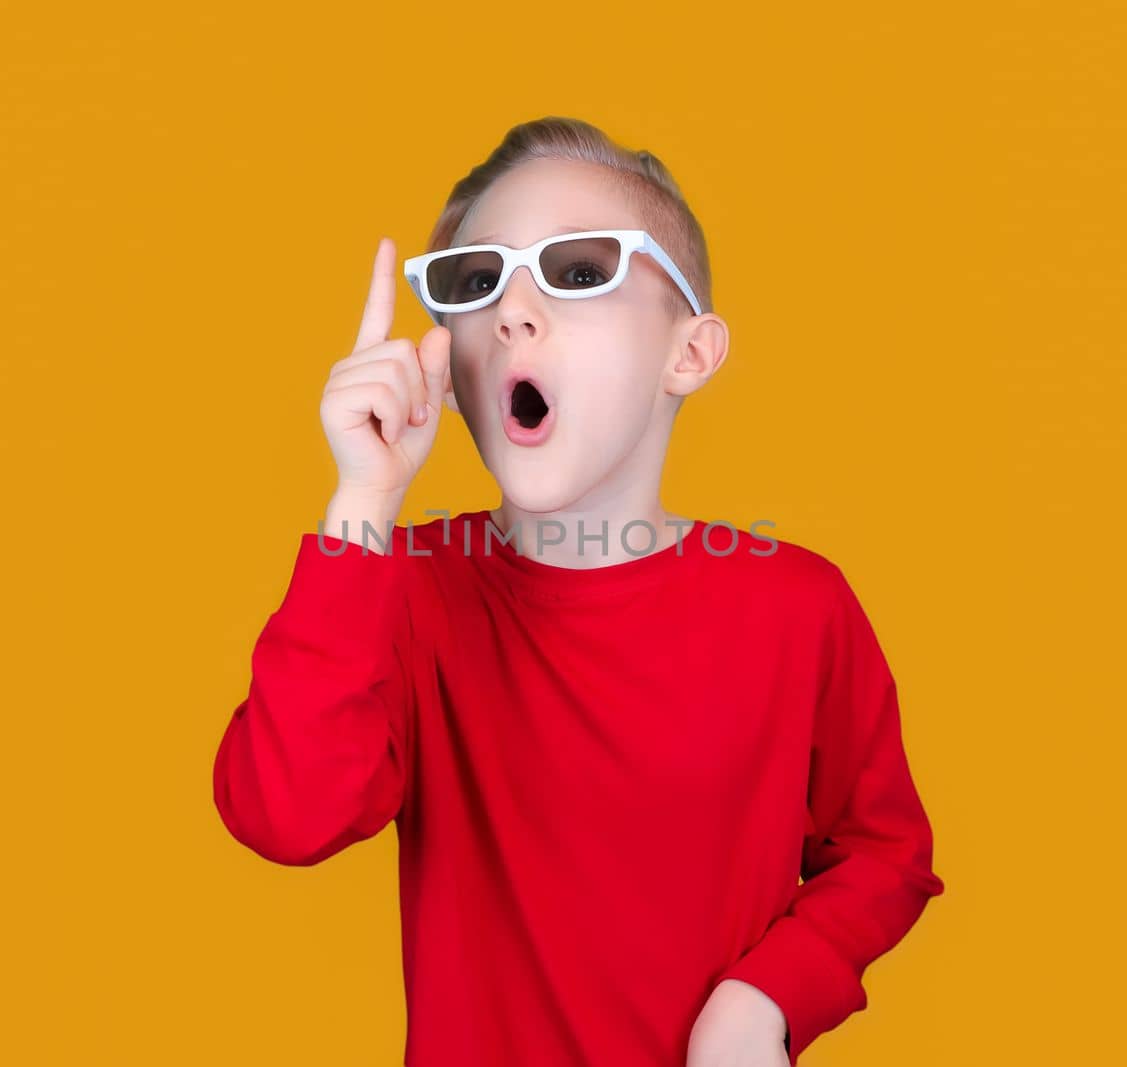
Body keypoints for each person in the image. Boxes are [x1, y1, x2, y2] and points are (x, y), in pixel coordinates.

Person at [212, 115, 945, 1066]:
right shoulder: (403, 593)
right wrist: (363, 501)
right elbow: (285, 814)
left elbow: (885, 852)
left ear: (691, 352)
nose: (514, 310)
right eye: (478, 284)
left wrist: (765, 997)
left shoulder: (797, 607)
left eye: (580, 269)